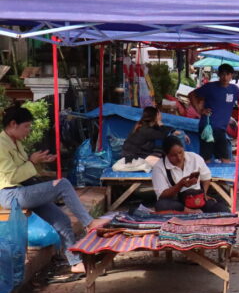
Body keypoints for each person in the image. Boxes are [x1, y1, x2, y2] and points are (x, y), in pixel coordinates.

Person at [0, 106, 101, 279]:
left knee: (61, 220)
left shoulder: (16, 142)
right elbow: (12, 176)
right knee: (63, 184)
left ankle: (75, 263)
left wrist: (39, 162)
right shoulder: (1, 144)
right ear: (13, 124)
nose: (28, 131)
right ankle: (88, 222)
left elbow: (24, 169)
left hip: (23, 190)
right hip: (10, 194)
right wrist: (32, 162)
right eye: (26, 127)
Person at [149, 136, 230, 213]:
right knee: (161, 205)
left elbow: (206, 177)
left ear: (183, 148)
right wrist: (180, 185)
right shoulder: (159, 167)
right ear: (166, 154)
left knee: (223, 209)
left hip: (197, 199)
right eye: (174, 155)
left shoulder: (194, 158)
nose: (179, 157)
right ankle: (189, 212)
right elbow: (162, 195)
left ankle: (195, 211)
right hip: (178, 203)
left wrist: (204, 193)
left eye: (181, 152)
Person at [189, 63, 239, 163]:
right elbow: (191, 95)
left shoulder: (234, 89)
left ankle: (222, 178)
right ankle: (206, 177)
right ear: (219, 74)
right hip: (208, 127)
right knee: (206, 159)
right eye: (223, 74)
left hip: (221, 129)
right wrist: (200, 110)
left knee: (225, 159)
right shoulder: (210, 87)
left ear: (231, 75)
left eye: (228, 74)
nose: (225, 77)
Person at [118, 106, 186, 168]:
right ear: (156, 116)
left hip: (135, 155)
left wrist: (174, 131)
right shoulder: (146, 130)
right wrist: (159, 121)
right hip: (132, 159)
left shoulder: (143, 126)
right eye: (159, 114)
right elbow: (163, 134)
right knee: (164, 161)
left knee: (162, 152)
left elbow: (163, 130)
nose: (161, 116)